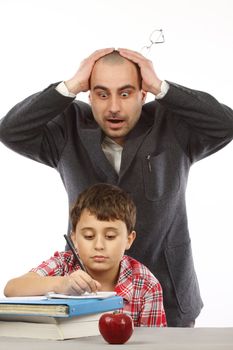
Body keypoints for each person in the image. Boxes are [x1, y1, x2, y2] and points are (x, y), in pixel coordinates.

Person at [0, 48, 233, 327]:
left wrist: (162, 87)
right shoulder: (68, 127)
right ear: (89, 95)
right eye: (102, 94)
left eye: (125, 93)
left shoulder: (171, 124)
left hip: (164, 296)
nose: (113, 107)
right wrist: (70, 85)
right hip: (83, 298)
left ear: (142, 94)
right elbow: (10, 130)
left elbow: (225, 124)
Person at [4, 183, 167, 327]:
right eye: (89, 236)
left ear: (129, 240)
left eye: (110, 237)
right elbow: (12, 288)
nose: (99, 246)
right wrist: (61, 284)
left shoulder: (146, 285)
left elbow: (153, 343)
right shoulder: (64, 264)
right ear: (74, 238)